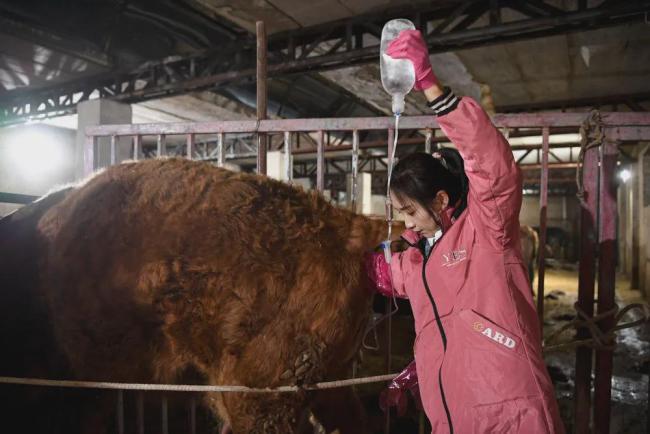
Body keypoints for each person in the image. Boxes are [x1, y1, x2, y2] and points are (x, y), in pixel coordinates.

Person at [366, 29, 565, 433]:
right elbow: (386, 280)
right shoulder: (415, 260)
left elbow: (492, 164)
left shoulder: (487, 230)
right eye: (397, 212)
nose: (404, 222)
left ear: (441, 200)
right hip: (450, 415)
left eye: (409, 210)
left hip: (509, 411)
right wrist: (418, 369)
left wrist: (431, 86)